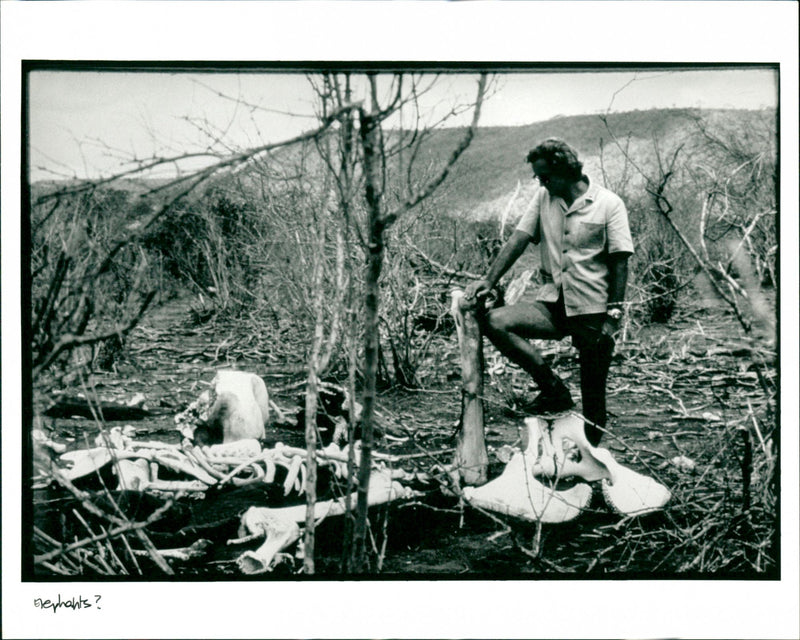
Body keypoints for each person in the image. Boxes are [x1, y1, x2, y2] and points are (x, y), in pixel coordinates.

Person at [464, 138, 633, 446]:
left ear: (566, 172)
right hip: (553, 305)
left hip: (592, 311)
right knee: (496, 322)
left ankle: (591, 460)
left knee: (594, 397)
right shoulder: (544, 197)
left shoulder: (609, 204)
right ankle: (553, 390)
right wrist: (489, 280)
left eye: (545, 176)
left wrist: (613, 316)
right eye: (538, 177)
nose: (541, 182)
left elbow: (620, 262)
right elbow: (519, 238)